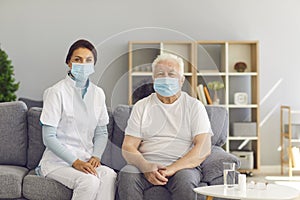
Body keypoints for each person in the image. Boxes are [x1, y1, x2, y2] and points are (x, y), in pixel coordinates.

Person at [117, 53, 213, 200]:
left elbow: (204, 148)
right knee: (127, 174)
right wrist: (145, 166)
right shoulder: (141, 106)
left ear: (181, 80)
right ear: (153, 79)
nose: (166, 78)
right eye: (161, 74)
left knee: (185, 180)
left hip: (182, 167)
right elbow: (128, 147)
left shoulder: (194, 106)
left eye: (172, 74)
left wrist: (170, 169)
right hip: (146, 166)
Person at [36, 39, 116, 200]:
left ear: (94, 65)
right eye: (77, 59)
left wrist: (96, 156)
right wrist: (75, 162)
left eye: (88, 60)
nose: (83, 64)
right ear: (68, 62)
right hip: (57, 162)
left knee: (109, 175)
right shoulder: (56, 92)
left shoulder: (98, 93)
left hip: (86, 159)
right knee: (89, 182)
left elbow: (101, 131)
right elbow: (48, 137)